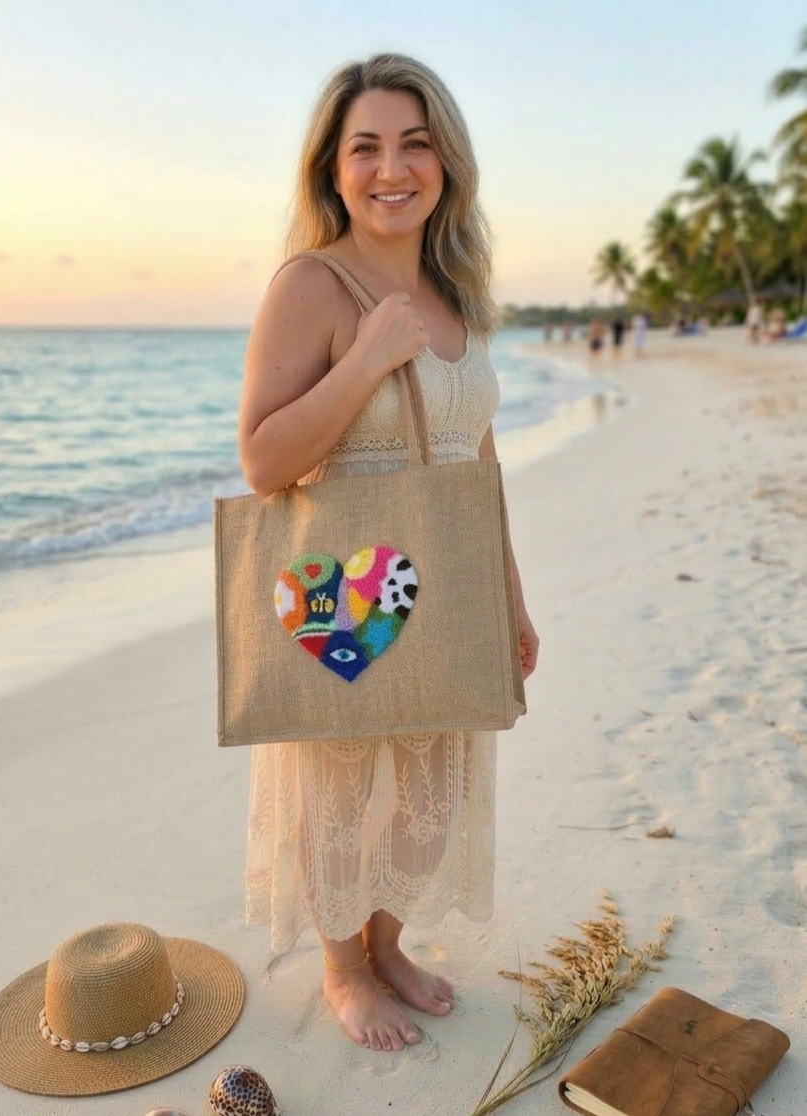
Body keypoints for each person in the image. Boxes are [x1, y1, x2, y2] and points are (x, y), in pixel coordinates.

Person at [237, 53, 539, 1053]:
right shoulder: (310, 286)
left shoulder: (456, 294)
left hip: (444, 577)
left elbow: (476, 459)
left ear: (445, 163)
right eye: (364, 147)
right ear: (332, 170)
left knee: (429, 786)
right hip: (343, 585)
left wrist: (512, 600)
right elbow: (263, 457)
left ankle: (385, 939)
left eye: (414, 144)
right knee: (338, 786)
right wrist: (367, 355)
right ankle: (339, 971)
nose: (390, 168)